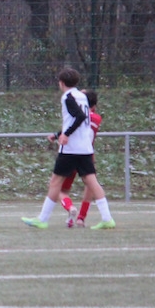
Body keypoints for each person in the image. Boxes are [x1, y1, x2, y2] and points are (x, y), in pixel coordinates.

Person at [22, 68, 116, 230]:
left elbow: (79, 117)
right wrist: (59, 133)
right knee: (92, 182)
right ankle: (107, 218)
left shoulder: (68, 96)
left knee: (55, 182)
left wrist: (65, 135)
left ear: (61, 82)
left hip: (71, 148)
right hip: (85, 147)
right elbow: (81, 119)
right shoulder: (82, 96)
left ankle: (42, 219)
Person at [57, 88, 102, 227]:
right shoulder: (96, 118)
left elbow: (72, 126)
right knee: (91, 186)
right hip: (88, 155)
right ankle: (81, 218)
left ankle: (70, 208)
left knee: (59, 189)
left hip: (71, 153)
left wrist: (59, 134)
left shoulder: (80, 115)